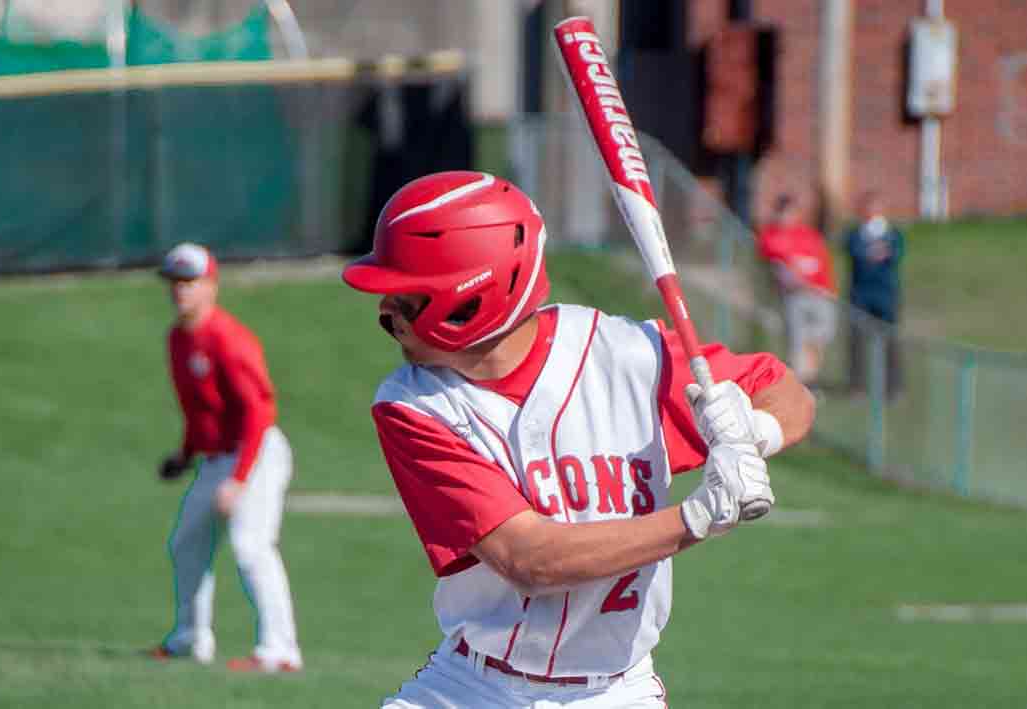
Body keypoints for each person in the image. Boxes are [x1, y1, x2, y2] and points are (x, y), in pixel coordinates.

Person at [341, 171, 816, 708]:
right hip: (473, 686)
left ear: (472, 299)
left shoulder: (632, 357)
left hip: (614, 694)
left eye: (406, 298)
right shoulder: (414, 406)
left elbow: (787, 393)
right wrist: (699, 517)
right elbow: (531, 561)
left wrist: (755, 432)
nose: (386, 313)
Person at [150, 243, 303, 673]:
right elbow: (199, 410)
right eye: (175, 282)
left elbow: (259, 411)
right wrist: (184, 456)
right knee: (186, 545)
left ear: (210, 285)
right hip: (217, 458)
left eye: (189, 281)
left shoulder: (228, 338)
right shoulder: (179, 339)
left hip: (256, 453)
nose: (180, 290)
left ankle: (280, 650)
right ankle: (189, 639)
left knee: (251, 546)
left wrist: (238, 478)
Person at [756, 194, 838, 387]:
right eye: (783, 213)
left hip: (818, 294)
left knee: (822, 334)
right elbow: (773, 253)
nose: (787, 217)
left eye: (791, 213)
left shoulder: (808, 235)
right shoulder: (772, 235)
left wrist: (827, 287)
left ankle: (810, 376)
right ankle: (802, 383)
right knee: (797, 340)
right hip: (795, 297)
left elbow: (821, 262)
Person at [842, 191, 905, 398]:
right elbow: (857, 253)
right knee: (857, 341)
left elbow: (894, 253)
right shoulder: (855, 234)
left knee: (890, 341)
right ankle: (857, 386)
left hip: (885, 295)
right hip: (860, 295)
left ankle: (893, 387)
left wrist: (880, 252)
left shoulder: (892, 233)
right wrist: (874, 252)